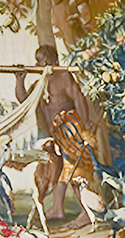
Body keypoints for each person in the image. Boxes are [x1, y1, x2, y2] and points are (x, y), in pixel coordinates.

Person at [15, 44, 110, 226]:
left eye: (40, 60)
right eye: (37, 61)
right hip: (55, 134)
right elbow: (24, 101)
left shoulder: (64, 76)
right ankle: (57, 209)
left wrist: (86, 124)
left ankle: (86, 213)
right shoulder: (40, 82)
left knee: (76, 171)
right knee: (58, 171)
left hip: (71, 129)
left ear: (50, 61)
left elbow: (78, 98)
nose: (38, 64)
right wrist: (20, 81)